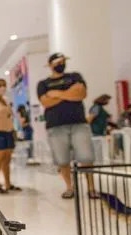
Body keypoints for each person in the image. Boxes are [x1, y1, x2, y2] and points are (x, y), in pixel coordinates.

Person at [37, 53, 98, 199]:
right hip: (55, 125)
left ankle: (91, 188)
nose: (61, 63)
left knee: (86, 157)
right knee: (62, 159)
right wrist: (70, 94)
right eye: (58, 61)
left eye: (63, 61)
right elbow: (46, 102)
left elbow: (81, 94)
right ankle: (69, 188)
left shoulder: (75, 76)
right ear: (50, 65)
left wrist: (56, 94)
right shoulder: (43, 84)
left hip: (78, 123)